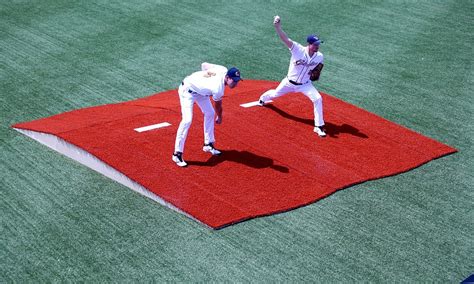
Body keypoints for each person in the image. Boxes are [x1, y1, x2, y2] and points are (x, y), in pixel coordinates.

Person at [258, 15, 327, 137]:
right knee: (275, 94)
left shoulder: (320, 56)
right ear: (309, 44)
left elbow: (318, 68)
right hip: (289, 83)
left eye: (318, 44)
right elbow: (285, 39)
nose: (317, 46)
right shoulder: (298, 49)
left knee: (318, 98)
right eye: (315, 44)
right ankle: (263, 98)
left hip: (305, 85)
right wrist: (277, 26)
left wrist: (314, 73)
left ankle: (318, 126)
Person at [172, 63, 242, 167]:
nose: (236, 84)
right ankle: (177, 154)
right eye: (234, 81)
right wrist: (220, 117)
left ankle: (208, 144)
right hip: (187, 91)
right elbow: (218, 106)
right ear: (227, 77)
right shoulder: (218, 88)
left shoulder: (222, 69)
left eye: (237, 81)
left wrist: (203, 82)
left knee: (210, 113)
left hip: (201, 93)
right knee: (187, 120)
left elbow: (204, 65)